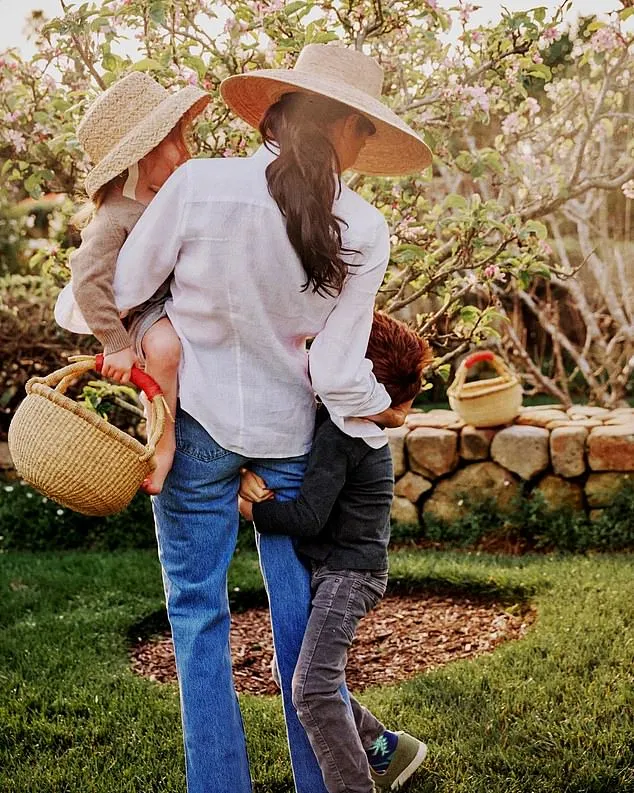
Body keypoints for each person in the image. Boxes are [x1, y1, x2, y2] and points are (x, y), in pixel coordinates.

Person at [110, 44, 432, 793]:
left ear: (280, 114)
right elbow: (334, 372)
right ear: (348, 130)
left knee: (196, 617)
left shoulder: (198, 185)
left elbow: (128, 285)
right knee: (300, 631)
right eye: (362, 135)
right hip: (292, 443)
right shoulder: (363, 227)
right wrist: (383, 414)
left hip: (196, 432)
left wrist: (169, 331)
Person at [238, 311, 433, 793]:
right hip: (348, 570)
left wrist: (254, 512)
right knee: (306, 675)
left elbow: (307, 518)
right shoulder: (350, 425)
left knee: (311, 688)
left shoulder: (342, 436)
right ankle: (388, 748)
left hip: (348, 577)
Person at [54, 72, 209, 494]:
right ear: (139, 154)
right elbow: (88, 280)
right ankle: (161, 447)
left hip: (179, 300)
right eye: (173, 142)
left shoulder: (169, 197)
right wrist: (116, 342)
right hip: (143, 312)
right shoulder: (114, 217)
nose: (183, 153)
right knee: (163, 350)